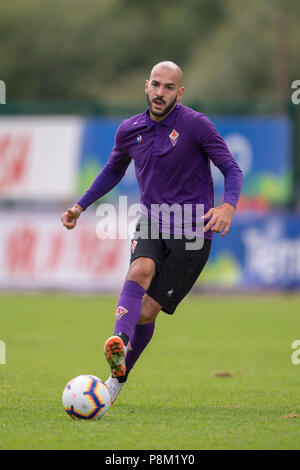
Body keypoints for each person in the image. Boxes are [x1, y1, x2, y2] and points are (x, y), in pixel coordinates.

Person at [61, 61, 243, 404]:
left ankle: (117, 379)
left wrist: (228, 205)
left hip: (192, 231)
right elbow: (112, 171)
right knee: (139, 268)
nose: (160, 93)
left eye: (169, 87)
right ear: (146, 85)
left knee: (146, 312)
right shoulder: (129, 129)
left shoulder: (196, 125)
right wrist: (80, 206)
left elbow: (231, 168)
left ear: (180, 92)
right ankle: (118, 345)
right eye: (156, 85)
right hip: (153, 219)